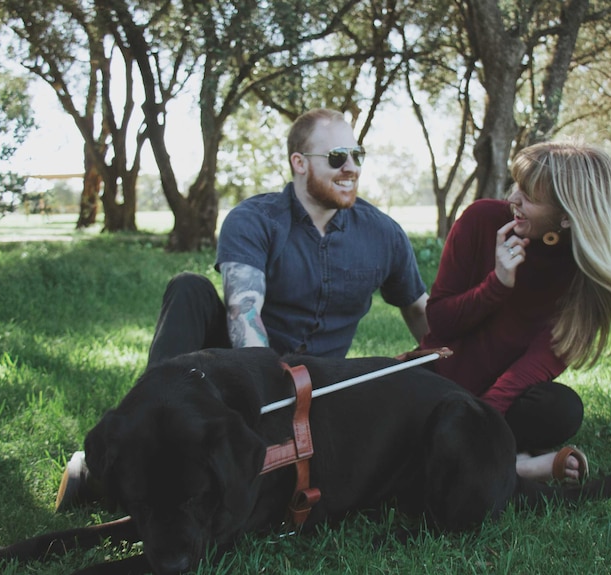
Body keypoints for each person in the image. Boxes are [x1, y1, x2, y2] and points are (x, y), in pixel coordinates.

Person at [55, 108, 429, 511]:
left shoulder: (383, 233)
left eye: (358, 155)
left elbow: (418, 309)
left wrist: (453, 364)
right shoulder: (253, 219)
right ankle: (144, 440)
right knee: (189, 289)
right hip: (238, 374)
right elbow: (243, 314)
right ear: (299, 163)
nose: (351, 168)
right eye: (338, 157)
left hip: (318, 386)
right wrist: (266, 408)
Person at [419, 140, 611, 483]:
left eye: (529, 196)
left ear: (567, 218)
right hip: (440, 378)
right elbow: (440, 323)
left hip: (507, 401)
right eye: (516, 186)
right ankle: (515, 465)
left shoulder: (591, 273)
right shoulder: (481, 219)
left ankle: (488, 454)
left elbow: (536, 364)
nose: (513, 199)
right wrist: (496, 284)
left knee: (562, 409)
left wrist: (481, 420)